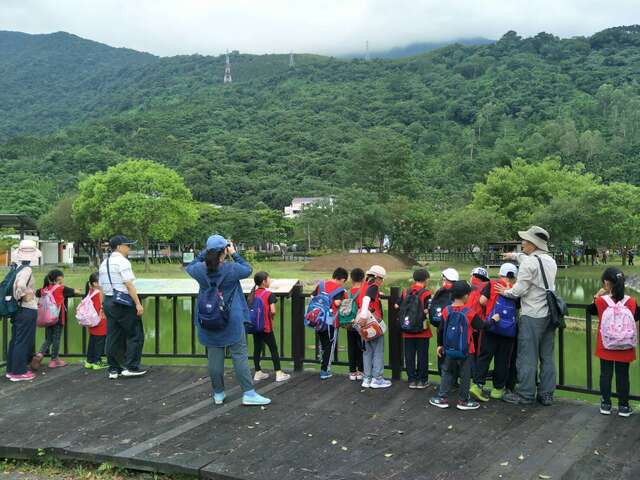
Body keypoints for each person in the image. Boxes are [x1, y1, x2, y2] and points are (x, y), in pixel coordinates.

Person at [186, 234, 270, 406]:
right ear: (225, 250)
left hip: (208, 318)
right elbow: (247, 269)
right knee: (239, 355)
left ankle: (218, 393)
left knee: (214, 357)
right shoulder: (231, 269)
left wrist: (206, 252)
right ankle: (248, 393)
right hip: (231, 319)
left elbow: (190, 265)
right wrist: (234, 253)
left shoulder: (199, 270)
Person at [497, 226, 558, 406]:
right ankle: (546, 394)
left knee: (527, 356)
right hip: (550, 314)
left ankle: (526, 394)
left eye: (525, 241)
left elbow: (518, 290)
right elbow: (528, 258)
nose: (522, 243)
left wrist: (505, 291)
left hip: (532, 315)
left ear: (533, 244)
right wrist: (514, 256)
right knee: (547, 356)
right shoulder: (550, 260)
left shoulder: (529, 263)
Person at [588, 268, 639, 417]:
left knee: (605, 374)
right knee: (623, 376)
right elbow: (636, 318)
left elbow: (590, 310)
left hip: (606, 345)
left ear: (606, 283)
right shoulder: (631, 301)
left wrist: (598, 294)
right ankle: (624, 406)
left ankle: (606, 405)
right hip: (626, 345)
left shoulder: (601, 302)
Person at [429, 281, 483, 410]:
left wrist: (440, 345)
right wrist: (494, 320)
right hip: (466, 349)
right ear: (466, 296)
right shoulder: (469, 312)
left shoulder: (446, 311)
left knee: (447, 371)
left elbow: (441, 329)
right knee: (465, 374)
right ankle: (463, 401)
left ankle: (442, 398)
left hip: (449, 348)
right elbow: (481, 326)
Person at [470, 263, 519, 402]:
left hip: (491, 326)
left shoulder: (492, 284)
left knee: (484, 356)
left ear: (500, 274)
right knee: (503, 360)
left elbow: (482, 301)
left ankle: (478, 385)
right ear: (514, 276)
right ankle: (497, 390)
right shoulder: (516, 289)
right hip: (509, 331)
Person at [99, 235, 146, 379]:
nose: (129, 248)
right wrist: (138, 303)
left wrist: (102, 307)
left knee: (113, 336)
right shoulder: (123, 262)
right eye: (127, 245)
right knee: (135, 334)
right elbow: (129, 284)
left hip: (108, 301)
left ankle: (114, 369)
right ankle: (131, 366)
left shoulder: (104, 263)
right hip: (123, 303)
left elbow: (101, 287)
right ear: (119, 246)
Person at [31, 269, 81, 370]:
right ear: (59, 280)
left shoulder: (44, 290)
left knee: (49, 339)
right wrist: (78, 290)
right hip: (58, 318)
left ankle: (40, 354)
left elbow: (36, 293)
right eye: (61, 281)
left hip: (47, 318)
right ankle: (54, 360)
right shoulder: (61, 288)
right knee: (56, 339)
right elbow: (75, 291)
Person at [6, 240, 41, 382]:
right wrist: (26, 295)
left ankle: (11, 369)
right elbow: (21, 285)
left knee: (16, 340)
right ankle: (19, 372)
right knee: (22, 341)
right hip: (27, 309)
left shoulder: (17, 268)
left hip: (18, 310)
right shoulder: (27, 269)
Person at [249, 271, 290, 383]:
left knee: (257, 348)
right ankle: (278, 373)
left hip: (255, 327)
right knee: (273, 349)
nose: (270, 281)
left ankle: (258, 372)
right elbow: (273, 311)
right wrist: (271, 317)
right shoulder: (269, 294)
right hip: (266, 327)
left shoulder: (253, 293)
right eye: (269, 279)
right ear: (264, 281)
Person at [396, 269, 432, 389]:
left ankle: (412, 380)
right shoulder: (426, 293)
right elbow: (428, 310)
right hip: (422, 330)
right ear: (426, 279)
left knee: (409, 355)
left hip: (407, 329)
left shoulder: (406, 291)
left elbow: (397, 305)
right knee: (422, 356)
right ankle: (422, 381)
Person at [357, 265, 391, 389]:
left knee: (367, 351)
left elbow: (366, 296)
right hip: (372, 323)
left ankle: (367, 378)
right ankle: (377, 379)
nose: (381, 282)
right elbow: (367, 299)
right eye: (381, 279)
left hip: (362, 324)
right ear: (377, 277)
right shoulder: (374, 286)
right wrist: (365, 314)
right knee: (378, 351)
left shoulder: (364, 285)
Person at [311, 267, 348, 380]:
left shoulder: (321, 285)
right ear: (342, 279)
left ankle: (323, 365)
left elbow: (312, 296)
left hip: (318, 320)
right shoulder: (340, 290)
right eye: (344, 281)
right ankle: (325, 370)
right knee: (330, 345)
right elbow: (338, 304)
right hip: (330, 321)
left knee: (323, 343)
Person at [429, 268, 458, 375]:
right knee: (454, 353)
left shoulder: (440, 291)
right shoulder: (458, 291)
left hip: (440, 327)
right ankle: (454, 380)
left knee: (441, 352)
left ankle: (444, 378)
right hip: (455, 329)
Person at [466, 267, 490, 380]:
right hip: (480, 325)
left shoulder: (468, 288)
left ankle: (469, 376)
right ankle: (476, 379)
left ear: (473, 276)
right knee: (478, 354)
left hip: (467, 325)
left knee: (469, 353)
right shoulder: (487, 287)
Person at [84, 272, 108, 369]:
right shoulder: (99, 293)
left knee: (92, 341)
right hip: (100, 321)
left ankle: (89, 361)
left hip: (92, 321)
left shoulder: (91, 291)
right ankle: (97, 362)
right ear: (95, 283)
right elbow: (101, 307)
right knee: (100, 342)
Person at [346, 268, 365, 381]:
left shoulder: (347, 292)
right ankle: (361, 370)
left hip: (349, 323)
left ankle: (352, 372)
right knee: (361, 347)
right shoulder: (363, 292)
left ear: (351, 279)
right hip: (360, 324)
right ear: (363, 278)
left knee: (351, 347)